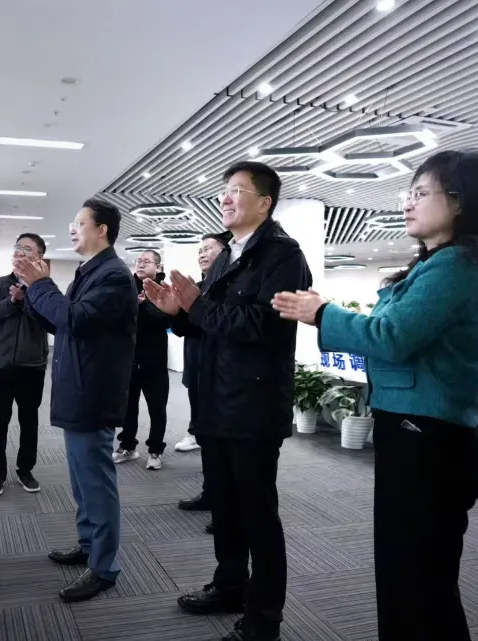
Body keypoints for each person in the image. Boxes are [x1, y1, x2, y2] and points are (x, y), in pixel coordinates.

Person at [271, 149, 478, 641]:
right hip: (414, 432)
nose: (408, 203)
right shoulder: (439, 264)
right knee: (412, 573)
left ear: (460, 201)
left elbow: (391, 337)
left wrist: (322, 313)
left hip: (427, 438)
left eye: (421, 193)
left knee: (418, 577)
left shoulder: (455, 265)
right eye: (409, 193)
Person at [144, 161, 311, 641]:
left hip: (253, 404)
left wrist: (197, 306)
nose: (225, 198)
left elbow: (263, 326)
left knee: (258, 515)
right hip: (215, 399)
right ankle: (229, 586)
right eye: (225, 190)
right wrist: (177, 313)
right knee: (225, 509)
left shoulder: (283, 255)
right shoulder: (227, 254)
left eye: (237, 190)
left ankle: (264, 619)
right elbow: (208, 323)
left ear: (265, 202)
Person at [14, 199, 136, 603]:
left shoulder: (114, 275)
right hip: (78, 389)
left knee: (96, 483)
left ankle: (104, 567)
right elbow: (64, 322)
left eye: (80, 223)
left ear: (102, 230)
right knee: (82, 480)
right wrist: (32, 295)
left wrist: (40, 286)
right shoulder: (90, 271)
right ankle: (88, 545)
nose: (72, 228)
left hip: (93, 393)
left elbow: (75, 319)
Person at [0, 233, 50, 497]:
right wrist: (10, 302)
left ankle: (25, 470)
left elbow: (51, 322)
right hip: (1, 364)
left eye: (27, 248)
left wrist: (27, 299)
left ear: (39, 256)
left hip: (32, 365)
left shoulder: (45, 287)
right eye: (18, 247)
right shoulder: (0, 284)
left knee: (29, 422)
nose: (20, 251)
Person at [171, 232, 231, 535]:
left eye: (209, 248)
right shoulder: (199, 286)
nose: (202, 254)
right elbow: (185, 328)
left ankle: (225, 505)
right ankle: (210, 493)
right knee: (205, 435)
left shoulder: (228, 286)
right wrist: (173, 311)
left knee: (222, 443)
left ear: (226, 252)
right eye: (200, 250)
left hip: (220, 375)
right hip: (198, 369)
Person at [114, 249, 172, 469]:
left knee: (157, 408)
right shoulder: (127, 287)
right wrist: (132, 307)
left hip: (155, 361)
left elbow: (168, 321)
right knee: (128, 407)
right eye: (138, 261)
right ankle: (128, 446)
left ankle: (155, 450)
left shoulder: (165, 290)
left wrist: (145, 306)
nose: (140, 264)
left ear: (158, 267)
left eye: (146, 261)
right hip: (129, 359)